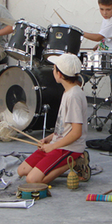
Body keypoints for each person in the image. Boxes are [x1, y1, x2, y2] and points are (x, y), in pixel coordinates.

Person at [17, 53, 91, 184]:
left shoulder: (73, 96)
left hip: (70, 148)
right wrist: (49, 139)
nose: (53, 70)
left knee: (32, 180)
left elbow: (76, 132)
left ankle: (75, 161)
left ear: (60, 75)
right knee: (21, 170)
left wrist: (53, 147)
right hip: (58, 143)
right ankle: (65, 160)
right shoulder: (68, 91)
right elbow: (65, 127)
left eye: (54, 68)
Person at [83, 0, 112, 111]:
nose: (104, 13)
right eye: (101, 9)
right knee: (80, 74)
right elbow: (107, 37)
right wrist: (99, 45)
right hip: (103, 54)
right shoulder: (106, 19)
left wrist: (81, 33)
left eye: (108, 9)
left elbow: (99, 36)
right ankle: (77, 107)